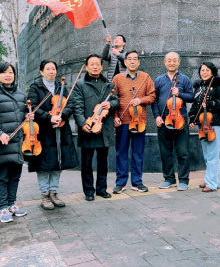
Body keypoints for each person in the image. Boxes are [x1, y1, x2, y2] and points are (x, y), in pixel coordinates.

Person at [0, 62, 33, 223]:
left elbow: (21, 114)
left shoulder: (19, 94)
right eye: (4, 72)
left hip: (17, 143)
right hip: (1, 142)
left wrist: (28, 116)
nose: (8, 75)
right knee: (1, 177)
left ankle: (11, 204)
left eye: (11, 72)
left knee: (15, 176)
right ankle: (2, 208)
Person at [27, 60, 79, 210]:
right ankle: (44, 194)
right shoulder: (36, 87)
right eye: (48, 69)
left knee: (58, 162)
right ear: (41, 71)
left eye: (53, 69)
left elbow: (71, 104)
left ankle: (54, 193)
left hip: (61, 130)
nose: (51, 71)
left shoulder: (61, 87)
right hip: (43, 131)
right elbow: (33, 108)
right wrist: (49, 118)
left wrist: (61, 117)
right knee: (44, 164)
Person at [73, 54, 119, 201]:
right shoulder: (80, 84)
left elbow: (117, 101)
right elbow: (77, 106)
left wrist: (110, 104)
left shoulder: (109, 85)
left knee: (103, 161)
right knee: (86, 163)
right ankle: (88, 191)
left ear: (101, 66)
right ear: (86, 67)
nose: (95, 66)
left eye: (97, 64)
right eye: (91, 64)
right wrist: (82, 123)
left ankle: (101, 189)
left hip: (104, 128)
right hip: (88, 126)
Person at [112, 50, 156, 193]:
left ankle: (137, 182)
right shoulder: (117, 78)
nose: (132, 61)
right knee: (121, 152)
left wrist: (141, 100)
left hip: (139, 121)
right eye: (129, 59)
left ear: (138, 62)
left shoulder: (146, 77)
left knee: (138, 153)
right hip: (123, 121)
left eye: (135, 59)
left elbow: (152, 96)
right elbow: (112, 99)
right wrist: (114, 117)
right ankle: (121, 182)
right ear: (124, 62)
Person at [151, 52, 194, 191]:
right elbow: (155, 100)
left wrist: (179, 94)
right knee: (165, 152)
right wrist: (157, 116)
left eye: (174, 60)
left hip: (180, 122)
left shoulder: (185, 79)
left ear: (179, 62)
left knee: (183, 152)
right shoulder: (159, 80)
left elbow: (191, 97)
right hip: (164, 122)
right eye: (169, 60)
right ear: (164, 62)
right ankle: (169, 179)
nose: (171, 63)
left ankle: (183, 180)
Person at [189, 62, 220, 192]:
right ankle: (214, 180)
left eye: (207, 70)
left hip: (214, 125)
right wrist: (192, 119)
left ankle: (211, 184)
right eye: (202, 70)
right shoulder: (199, 87)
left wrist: (211, 103)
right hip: (203, 125)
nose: (204, 72)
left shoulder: (218, 86)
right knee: (208, 155)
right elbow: (195, 106)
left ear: (212, 72)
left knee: (212, 155)